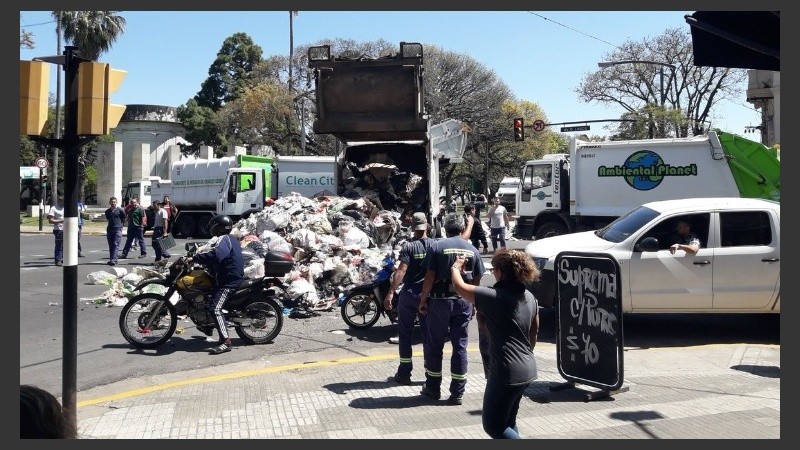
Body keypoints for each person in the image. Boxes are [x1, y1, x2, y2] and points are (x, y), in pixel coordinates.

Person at [451, 249, 540, 439]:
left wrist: (456, 268)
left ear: (500, 272)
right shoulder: (529, 297)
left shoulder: (494, 296)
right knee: (508, 421)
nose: (493, 273)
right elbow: (534, 332)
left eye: (493, 270)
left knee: (493, 426)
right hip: (528, 368)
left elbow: (459, 287)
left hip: (506, 372)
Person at [417, 212, 485, 405]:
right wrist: (472, 301)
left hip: (439, 302)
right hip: (462, 302)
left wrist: (423, 299)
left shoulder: (437, 247)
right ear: (463, 229)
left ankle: (433, 388)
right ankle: (457, 392)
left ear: (445, 229)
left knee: (435, 345)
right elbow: (477, 278)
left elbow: (430, 276)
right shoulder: (472, 249)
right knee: (460, 346)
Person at [383, 212, 436, 385]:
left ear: (413, 226)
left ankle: (404, 373)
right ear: (427, 226)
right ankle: (430, 374)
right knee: (428, 336)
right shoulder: (435, 246)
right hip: (428, 296)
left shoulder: (409, 247)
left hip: (410, 294)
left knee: (405, 334)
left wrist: (391, 292)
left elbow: (401, 271)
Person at [187, 214, 244, 355]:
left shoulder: (224, 238)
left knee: (215, 309)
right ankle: (208, 326)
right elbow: (219, 256)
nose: (211, 228)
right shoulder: (230, 238)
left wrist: (195, 258)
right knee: (208, 299)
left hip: (229, 281)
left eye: (213, 226)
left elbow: (217, 255)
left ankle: (226, 342)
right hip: (225, 278)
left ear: (219, 227)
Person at [104, 196, 126, 266]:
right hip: (110, 229)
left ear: (116, 202)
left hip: (118, 229)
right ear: (109, 203)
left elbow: (124, 218)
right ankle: (113, 259)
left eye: (114, 202)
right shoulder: (107, 211)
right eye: (112, 202)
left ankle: (113, 260)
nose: (113, 203)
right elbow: (108, 219)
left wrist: (121, 226)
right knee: (111, 245)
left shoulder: (120, 210)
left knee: (115, 244)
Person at [47, 195, 65, 266]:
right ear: (59, 201)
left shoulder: (65, 208)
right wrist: (61, 221)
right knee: (59, 245)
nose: (64, 203)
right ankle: (58, 260)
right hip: (58, 229)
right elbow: (50, 220)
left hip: (66, 229)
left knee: (66, 245)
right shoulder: (54, 208)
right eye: (63, 201)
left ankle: (64, 259)